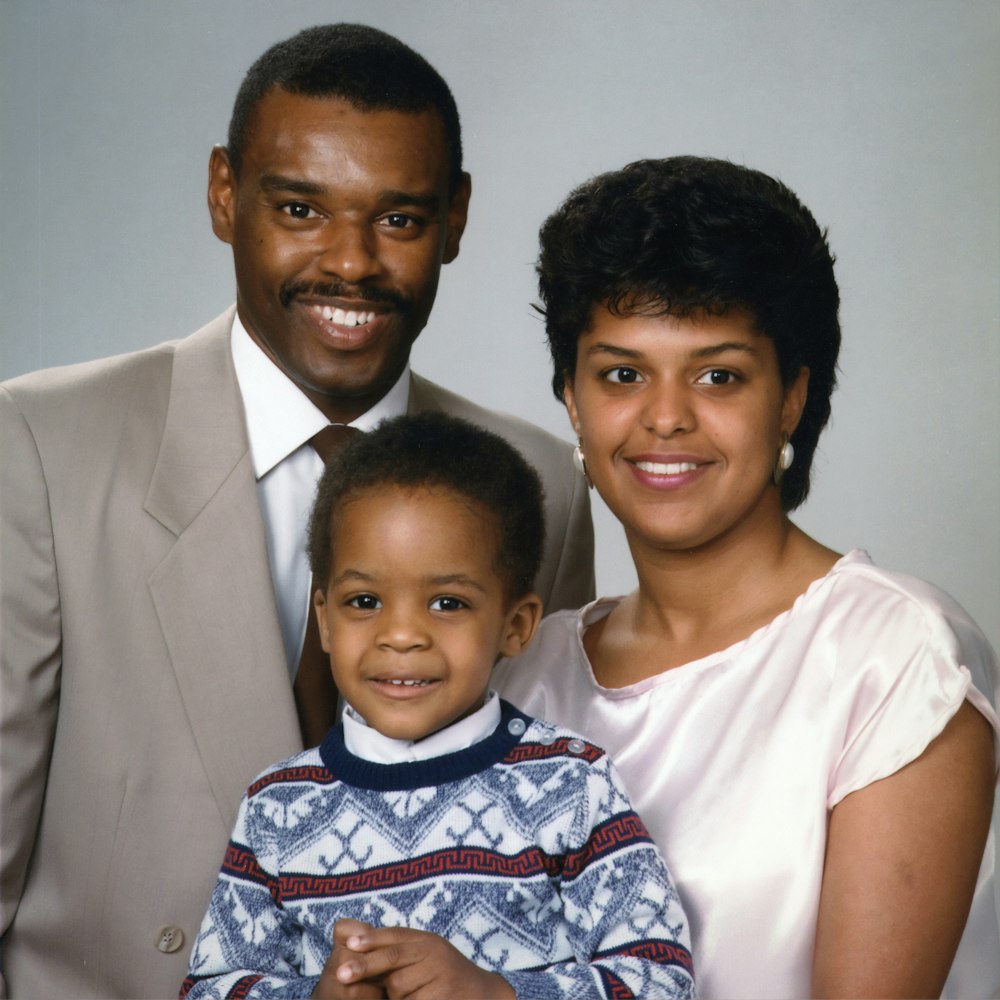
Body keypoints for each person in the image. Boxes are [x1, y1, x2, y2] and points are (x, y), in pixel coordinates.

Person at [0, 24, 593, 999]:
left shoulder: (537, 482)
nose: (350, 264)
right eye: (300, 208)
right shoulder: (41, 447)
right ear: (225, 195)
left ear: (455, 217)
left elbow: (543, 830)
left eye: (398, 219)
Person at [493, 155, 1000, 999]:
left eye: (718, 374)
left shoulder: (898, 660)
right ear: (573, 402)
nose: (665, 416)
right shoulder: (519, 672)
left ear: (792, 398)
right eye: (622, 373)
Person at [179, 412, 694, 1000]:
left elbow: (660, 977)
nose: (401, 635)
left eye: (447, 602)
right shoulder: (276, 808)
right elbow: (209, 988)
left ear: (516, 625)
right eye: (365, 600)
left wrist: (495, 992)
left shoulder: (572, 787)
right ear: (324, 618)